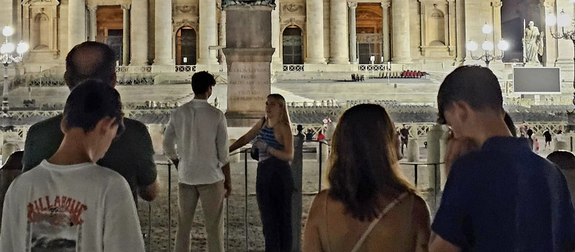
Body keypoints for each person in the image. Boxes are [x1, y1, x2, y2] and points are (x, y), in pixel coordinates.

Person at [430, 66, 575, 252]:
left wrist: (451, 176)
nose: (454, 133)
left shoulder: (469, 170)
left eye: (450, 124)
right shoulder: (551, 173)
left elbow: (443, 249)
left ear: (460, 110)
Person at [0, 80, 144, 252]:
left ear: (63, 124)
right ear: (107, 125)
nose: (106, 150)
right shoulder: (112, 187)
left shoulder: (20, 187)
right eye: (113, 137)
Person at [22, 41, 159, 203]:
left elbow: (29, 193)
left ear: (67, 79)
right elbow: (149, 193)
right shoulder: (135, 132)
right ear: (113, 79)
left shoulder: (38, 134)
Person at [304, 104, 431, 252]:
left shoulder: (322, 205)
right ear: (383, 143)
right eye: (392, 130)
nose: (397, 135)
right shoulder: (413, 207)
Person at [163, 71, 231, 252]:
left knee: (183, 227)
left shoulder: (178, 113)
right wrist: (228, 181)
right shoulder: (216, 115)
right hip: (211, 177)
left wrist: (178, 162)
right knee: (214, 229)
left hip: (186, 176)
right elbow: (223, 153)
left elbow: (167, 144)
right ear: (209, 90)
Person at [230, 95, 295, 252]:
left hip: (278, 173)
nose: (268, 107)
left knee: (281, 220)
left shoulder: (283, 127)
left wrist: (267, 148)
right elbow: (246, 138)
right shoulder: (263, 122)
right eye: (267, 103)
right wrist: (226, 151)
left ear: (281, 107)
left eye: (272, 104)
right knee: (268, 221)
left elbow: (289, 155)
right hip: (264, 172)